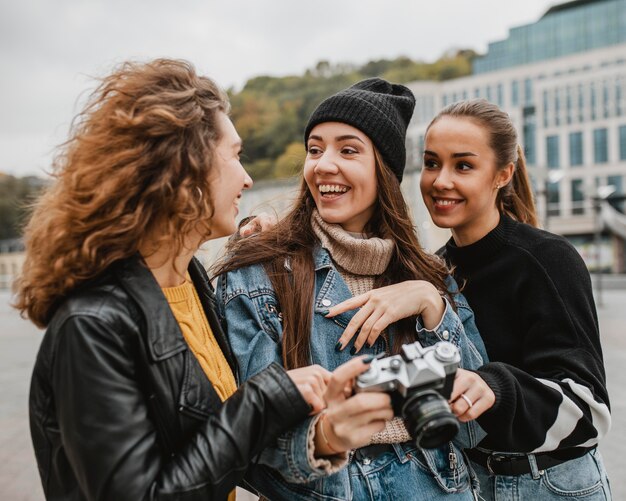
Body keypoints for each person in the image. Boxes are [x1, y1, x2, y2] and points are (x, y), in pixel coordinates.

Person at [15, 59, 392, 501]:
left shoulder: (193, 283)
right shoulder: (92, 325)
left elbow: (216, 450)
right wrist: (265, 400)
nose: (248, 178)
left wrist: (325, 433)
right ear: (184, 170)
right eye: (235, 155)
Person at [215, 78, 493, 500]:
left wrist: (431, 305)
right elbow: (251, 437)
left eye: (348, 150)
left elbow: (475, 428)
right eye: (314, 149)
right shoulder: (259, 274)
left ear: (384, 170)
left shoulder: (432, 276)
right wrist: (329, 432)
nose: (323, 165)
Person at [417, 98, 612, 499]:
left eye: (463, 165)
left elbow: (590, 412)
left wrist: (496, 388)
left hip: (552, 485)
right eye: (432, 162)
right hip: (469, 485)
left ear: (502, 174)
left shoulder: (548, 259)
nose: (440, 180)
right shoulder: (432, 274)